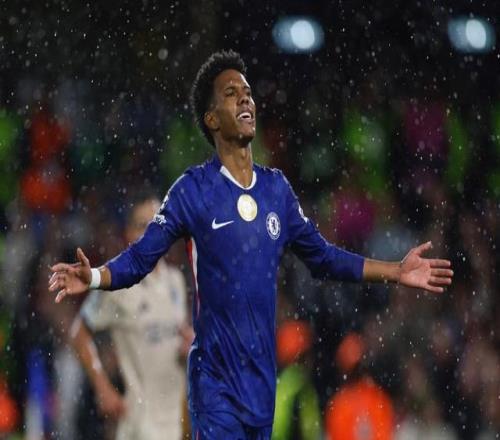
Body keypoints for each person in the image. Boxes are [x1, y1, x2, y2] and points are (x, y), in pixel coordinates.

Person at [49, 50, 453, 440]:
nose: (245, 99)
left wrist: (395, 271)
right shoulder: (193, 190)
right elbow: (141, 257)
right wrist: (96, 276)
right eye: (231, 93)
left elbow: (324, 258)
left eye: (247, 92)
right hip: (214, 381)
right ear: (211, 119)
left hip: (260, 383)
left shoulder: (277, 190)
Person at [69, 194, 190, 440]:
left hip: (176, 423)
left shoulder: (175, 281)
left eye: (157, 223)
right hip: (141, 424)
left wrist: (190, 347)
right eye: (142, 225)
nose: (151, 232)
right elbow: (78, 333)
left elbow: (181, 341)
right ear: (128, 233)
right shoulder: (117, 284)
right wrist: (103, 387)